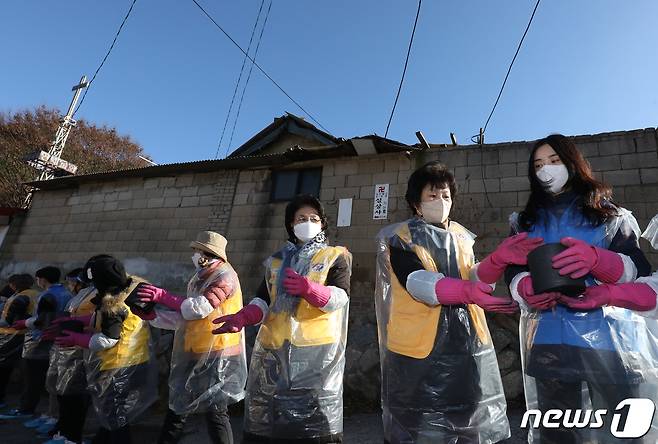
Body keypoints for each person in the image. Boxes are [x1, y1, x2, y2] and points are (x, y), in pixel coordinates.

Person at [375, 161, 539, 444]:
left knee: (467, 419)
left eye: (446, 196)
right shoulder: (400, 237)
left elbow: (476, 277)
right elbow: (416, 282)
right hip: (416, 349)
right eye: (432, 196)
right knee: (420, 425)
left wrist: (497, 261)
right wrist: (468, 292)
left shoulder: (462, 237)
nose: (441, 201)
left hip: (466, 344)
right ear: (416, 203)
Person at [504, 134, 654, 444]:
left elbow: (640, 270)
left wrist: (600, 261)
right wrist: (523, 285)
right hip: (548, 339)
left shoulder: (609, 215)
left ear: (573, 163)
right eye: (539, 164)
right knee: (557, 432)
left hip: (608, 339)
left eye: (555, 161)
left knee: (622, 428)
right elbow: (513, 267)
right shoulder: (525, 222)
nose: (547, 170)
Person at [214, 194, 352, 444]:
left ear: (322, 224)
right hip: (274, 353)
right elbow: (263, 300)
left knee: (313, 428)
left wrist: (311, 290)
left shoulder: (334, 256)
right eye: (301, 218)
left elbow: (340, 297)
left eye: (314, 218)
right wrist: (244, 316)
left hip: (316, 357)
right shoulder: (277, 261)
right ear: (291, 224)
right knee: (270, 425)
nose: (308, 222)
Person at [135, 231, 247, 444]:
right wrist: (154, 316)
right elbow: (186, 319)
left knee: (215, 412)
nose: (195, 255)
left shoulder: (224, 277)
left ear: (209, 254)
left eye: (198, 251)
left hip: (219, 354)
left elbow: (197, 310)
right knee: (179, 406)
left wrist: (163, 296)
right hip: (196, 350)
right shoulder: (199, 279)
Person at [53, 255, 158, 444]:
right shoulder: (129, 291)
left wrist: (78, 339)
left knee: (116, 417)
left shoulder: (113, 303)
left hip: (116, 364)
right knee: (113, 414)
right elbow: (110, 321)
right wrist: (78, 320)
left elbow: (108, 338)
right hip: (135, 359)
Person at [0, 267, 72, 420]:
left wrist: (25, 322)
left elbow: (43, 319)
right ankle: (49, 413)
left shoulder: (47, 295)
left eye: (38, 278)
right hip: (59, 339)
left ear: (43, 279)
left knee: (32, 377)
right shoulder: (66, 293)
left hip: (40, 340)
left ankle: (26, 409)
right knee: (49, 379)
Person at [42, 267, 97, 444]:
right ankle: (63, 430)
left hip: (82, 350)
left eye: (73, 282)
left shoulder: (97, 296)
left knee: (75, 397)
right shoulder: (81, 295)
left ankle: (72, 437)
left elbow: (97, 322)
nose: (70, 285)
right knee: (63, 393)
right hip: (67, 349)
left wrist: (76, 329)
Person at [0, 274, 38, 409]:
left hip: (12, 336)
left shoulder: (21, 297)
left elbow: (9, 320)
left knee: (4, 369)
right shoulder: (35, 294)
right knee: (26, 372)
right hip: (27, 335)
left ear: (14, 284)